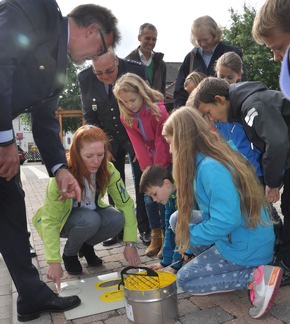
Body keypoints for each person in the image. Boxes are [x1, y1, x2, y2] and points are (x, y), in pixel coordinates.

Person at [0, 0, 120, 321]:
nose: (95, 59)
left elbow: (45, 120)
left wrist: (60, 168)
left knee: (11, 211)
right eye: (99, 51)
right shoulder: (35, 9)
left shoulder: (60, 68)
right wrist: (4, 139)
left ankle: (31, 296)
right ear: (92, 31)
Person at [162, 106, 282, 319]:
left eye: (171, 143)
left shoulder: (211, 167)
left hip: (245, 246)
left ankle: (255, 276)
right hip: (242, 235)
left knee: (185, 280)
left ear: (182, 141)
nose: (170, 150)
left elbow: (227, 220)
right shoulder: (215, 153)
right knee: (177, 219)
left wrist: (190, 236)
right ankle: (222, 264)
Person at [191, 76, 290, 286]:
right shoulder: (242, 107)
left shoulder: (251, 105)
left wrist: (272, 182)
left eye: (208, 112)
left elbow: (278, 143)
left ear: (219, 100)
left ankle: (286, 265)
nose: (211, 120)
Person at [33, 125, 140, 285]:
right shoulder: (62, 176)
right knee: (90, 219)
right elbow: (50, 221)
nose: (96, 161)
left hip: (88, 217)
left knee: (116, 218)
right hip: (65, 222)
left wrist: (130, 243)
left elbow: (126, 204)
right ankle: (69, 254)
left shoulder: (108, 170)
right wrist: (53, 262)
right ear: (77, 154)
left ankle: (86, 246)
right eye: (89, 156)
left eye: (100, 154)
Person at [78, 48, 151, 247]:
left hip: (134, 134)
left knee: (141, 180)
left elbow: (145, 106)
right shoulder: (84, 78)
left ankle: (145, 228)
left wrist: (142, 143)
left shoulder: (135, 70)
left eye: (109, 71)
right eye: (98, 73)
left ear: (117, 61)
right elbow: (90, 115)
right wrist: (102, 145)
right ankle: (117, 229)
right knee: (112, 181)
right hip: (107, 137)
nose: (104, 77)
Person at [113, 72, 172, 257]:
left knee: (164, 200)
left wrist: (157, 169)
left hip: (165, 158)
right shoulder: (126, 116)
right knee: (148, 198)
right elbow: (136, 142)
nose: (130, 105)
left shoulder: (158, 111)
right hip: (146, 159)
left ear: (141, 93)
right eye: (125, 102)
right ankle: (155, 236)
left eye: (132, 100)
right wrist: (147, 169)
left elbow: (161, 141)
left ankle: (166, 236)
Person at [173, 15, 245, 108]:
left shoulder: (232, 53)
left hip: (225, 114)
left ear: (215, 35)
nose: (203, 44)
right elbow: (180, 92)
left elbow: (242, 84)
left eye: (206, 39)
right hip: (197, 115)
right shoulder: (190, 58)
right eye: (199, 40)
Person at [140, 165, 185, 273]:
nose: (154, 200)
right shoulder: (170, 197)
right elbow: (169, 229)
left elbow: (184, 233)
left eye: (154, 194)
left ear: (166, 183)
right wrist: (165, 262)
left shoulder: (183, 196)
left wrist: (175, 265)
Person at [125, 23, 167, 95]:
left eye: (154, 39)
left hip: (156, 105)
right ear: (139, 38)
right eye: (147, 38)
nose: (151, 42)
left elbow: (162, 92)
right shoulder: (128, 63)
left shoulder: (161, 64)